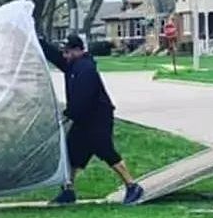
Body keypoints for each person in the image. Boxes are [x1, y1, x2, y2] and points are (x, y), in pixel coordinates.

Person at [39, 33, 143, 206]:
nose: (64, 55)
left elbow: (83, 98)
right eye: (64, 52)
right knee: (72, 152)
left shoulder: (86, 69)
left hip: (98, 117)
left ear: (78, 51)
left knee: (105, 150)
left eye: (68, 52)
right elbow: (56, 57)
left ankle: (132, 186)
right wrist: (41, 41)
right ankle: (68, 191)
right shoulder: (72, 65)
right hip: (83, 119)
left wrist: (69, 113)